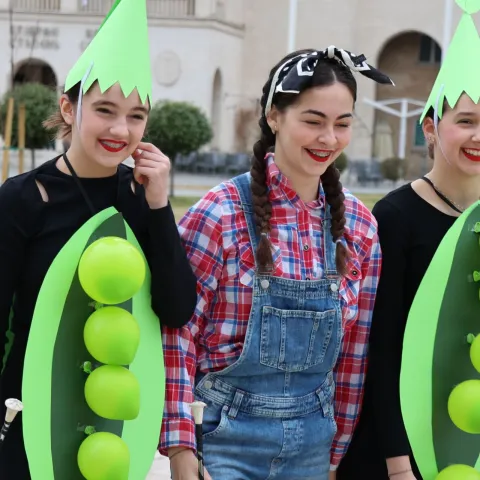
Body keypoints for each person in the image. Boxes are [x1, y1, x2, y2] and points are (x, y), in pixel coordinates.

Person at [159, 46, 394, 479]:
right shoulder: (220, 212)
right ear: (274, 117)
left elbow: (354, 354)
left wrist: (335, 454)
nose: (329, 139)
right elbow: (178, 333)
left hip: (313, 449)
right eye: (313, 121)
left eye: (342, 124)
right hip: (220, 443)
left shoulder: (360, 228)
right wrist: (180, 447)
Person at [0, 0, 197, 477]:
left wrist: (158, 206)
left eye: (136, 116)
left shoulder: (141, 197)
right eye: (105, 110)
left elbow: (176, 309)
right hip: (26, 420)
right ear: (69, 106)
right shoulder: (23, 199)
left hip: (115, 427)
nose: (120, 129)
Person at [337, 3, 480, 479]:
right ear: (431, 126)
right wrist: (398, 465)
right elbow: (382, 347)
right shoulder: (395, 217)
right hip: (397, 448)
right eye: (466, 120)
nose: (478, 136)